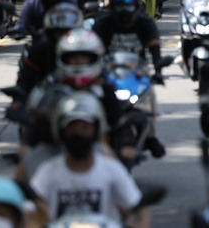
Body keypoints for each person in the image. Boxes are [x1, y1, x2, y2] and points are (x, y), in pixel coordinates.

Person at [30, 91, 152, 228]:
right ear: (61, 132)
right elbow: (31, 210)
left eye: (85, 128)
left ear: (96, 130)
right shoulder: (48, 172)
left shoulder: (112, 170)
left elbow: (141, 213)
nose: (78, 133)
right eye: (72, 129)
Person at [91, 0, 166, 158]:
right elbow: (92, 51)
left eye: (129, 4)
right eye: (120, 4)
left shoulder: (146, 22)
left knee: (150, 95)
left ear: (137, 5)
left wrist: (158, 70)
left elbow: (155, 50)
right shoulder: (102, 24)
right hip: (107, 72)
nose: (125, 9)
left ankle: (150, 136)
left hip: (136, 72)